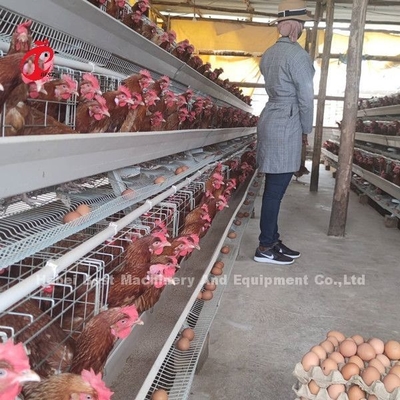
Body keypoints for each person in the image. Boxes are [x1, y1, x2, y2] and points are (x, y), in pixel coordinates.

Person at [254, 0, 315, 265]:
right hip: (287, 121)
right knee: (276, 189)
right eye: (301, 25)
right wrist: (306, 128)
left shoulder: (268, 53)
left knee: (274, 185)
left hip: (270, 116)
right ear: (294, 28)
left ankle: (272, 238)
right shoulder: (298, 56)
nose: (301, 30)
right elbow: (306, 97)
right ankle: (266, 246)